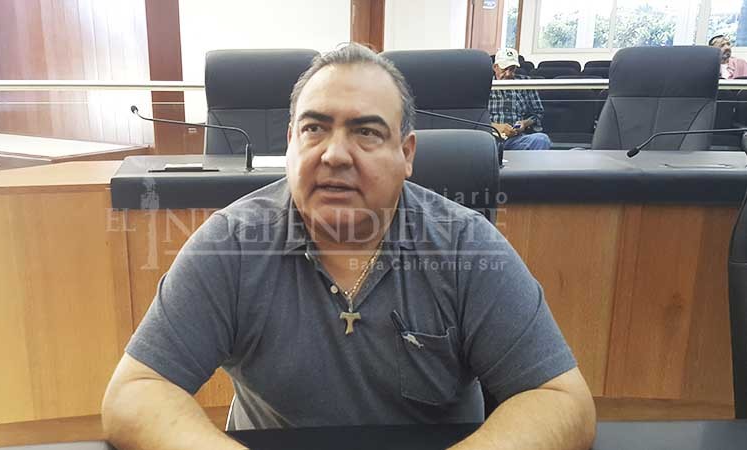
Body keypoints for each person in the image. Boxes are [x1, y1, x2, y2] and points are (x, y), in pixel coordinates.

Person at [102, 43, 595, 450]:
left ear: (406, 154)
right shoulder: (231, 243)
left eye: (366, 132)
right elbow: (136, 392)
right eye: (314, 129)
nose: (335, 154)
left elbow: (561, 400)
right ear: (291, 142)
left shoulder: (466, 245)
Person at [488, 47, 552, 150]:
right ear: (495, 67)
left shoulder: (525, 83)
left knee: (542, 139)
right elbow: (474, 118)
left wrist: (524, 123)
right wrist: (496, 127)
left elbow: (538, 113)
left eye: (512, 69)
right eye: (504, 69)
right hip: (490, 139)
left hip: (517, 139)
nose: (508, 74)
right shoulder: (485, 84)